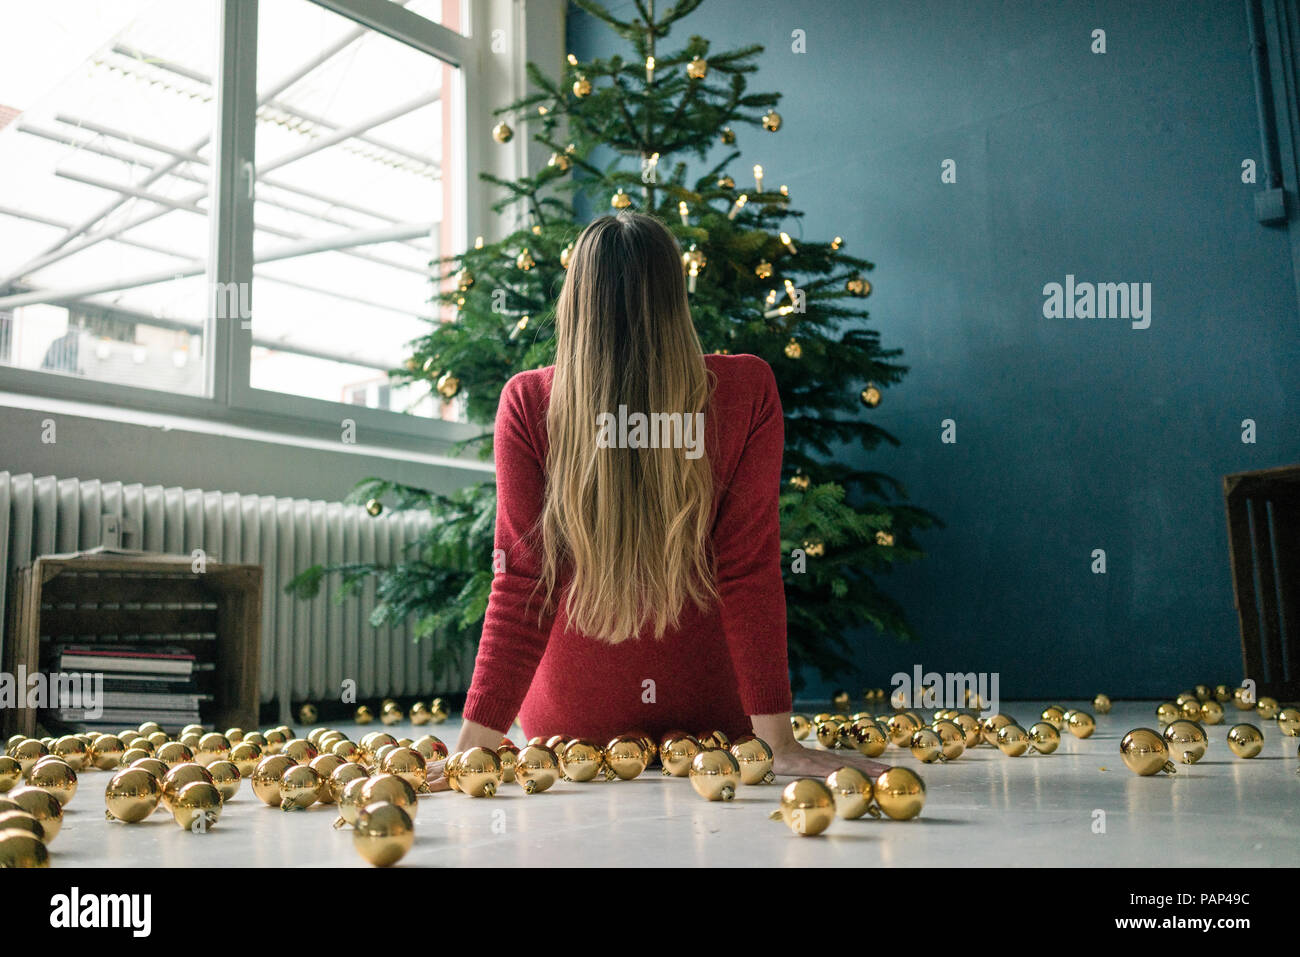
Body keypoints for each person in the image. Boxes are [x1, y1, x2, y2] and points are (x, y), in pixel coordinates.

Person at [430, 211, 887, 787]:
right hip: (716, 726)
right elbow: (748, 570)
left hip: (569, 730)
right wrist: (778, 744)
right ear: (676, 296)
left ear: (575, 304)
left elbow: (522, 582)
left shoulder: (527, 400)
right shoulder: (746, 389)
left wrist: (473, 750)